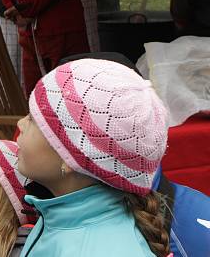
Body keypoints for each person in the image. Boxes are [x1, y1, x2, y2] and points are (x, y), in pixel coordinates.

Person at [16, 58, 170, 256]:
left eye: (32, 120)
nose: (20, 124)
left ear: (71, 156)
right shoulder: (65, 218)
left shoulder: (92, 248)